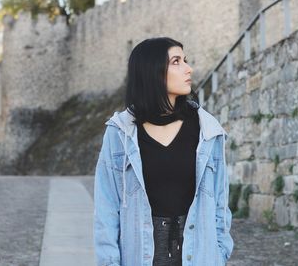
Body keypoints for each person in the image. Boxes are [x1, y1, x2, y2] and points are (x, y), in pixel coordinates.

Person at [93, 37, 234, 266]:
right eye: (176, 61)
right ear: (152, 71)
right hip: (141, 255)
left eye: (185, 60)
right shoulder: (120, 133)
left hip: (198, 254)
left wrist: (220, 252)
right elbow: (106, 210)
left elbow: (220, 202)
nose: (189, 69)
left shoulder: (208, 131)